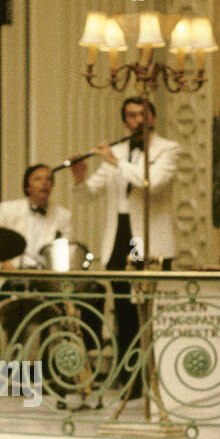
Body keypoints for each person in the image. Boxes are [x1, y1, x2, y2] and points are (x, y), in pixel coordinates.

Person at [69, 98, 182, 363]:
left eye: (143, 114)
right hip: (120, 236)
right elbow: (88, 196)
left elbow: (152, 183)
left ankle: (155, 373)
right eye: (131, 116)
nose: (138, 120)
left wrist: (114, 161)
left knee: (152, 311)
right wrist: (79, 177)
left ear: (153, 117)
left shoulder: (169, 149)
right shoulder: (117, 151)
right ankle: (128, 376)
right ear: (125, 121)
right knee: (123, 310)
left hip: (152, 241)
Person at [0, 164, 74, 271]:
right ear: (27, 187)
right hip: (10, 276)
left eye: (48, 179)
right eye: (38, 179)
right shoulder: (8, 209)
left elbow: (66, 253)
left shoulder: (63, 215)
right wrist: (4, 263)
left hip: (46, 278)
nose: (44, 182)